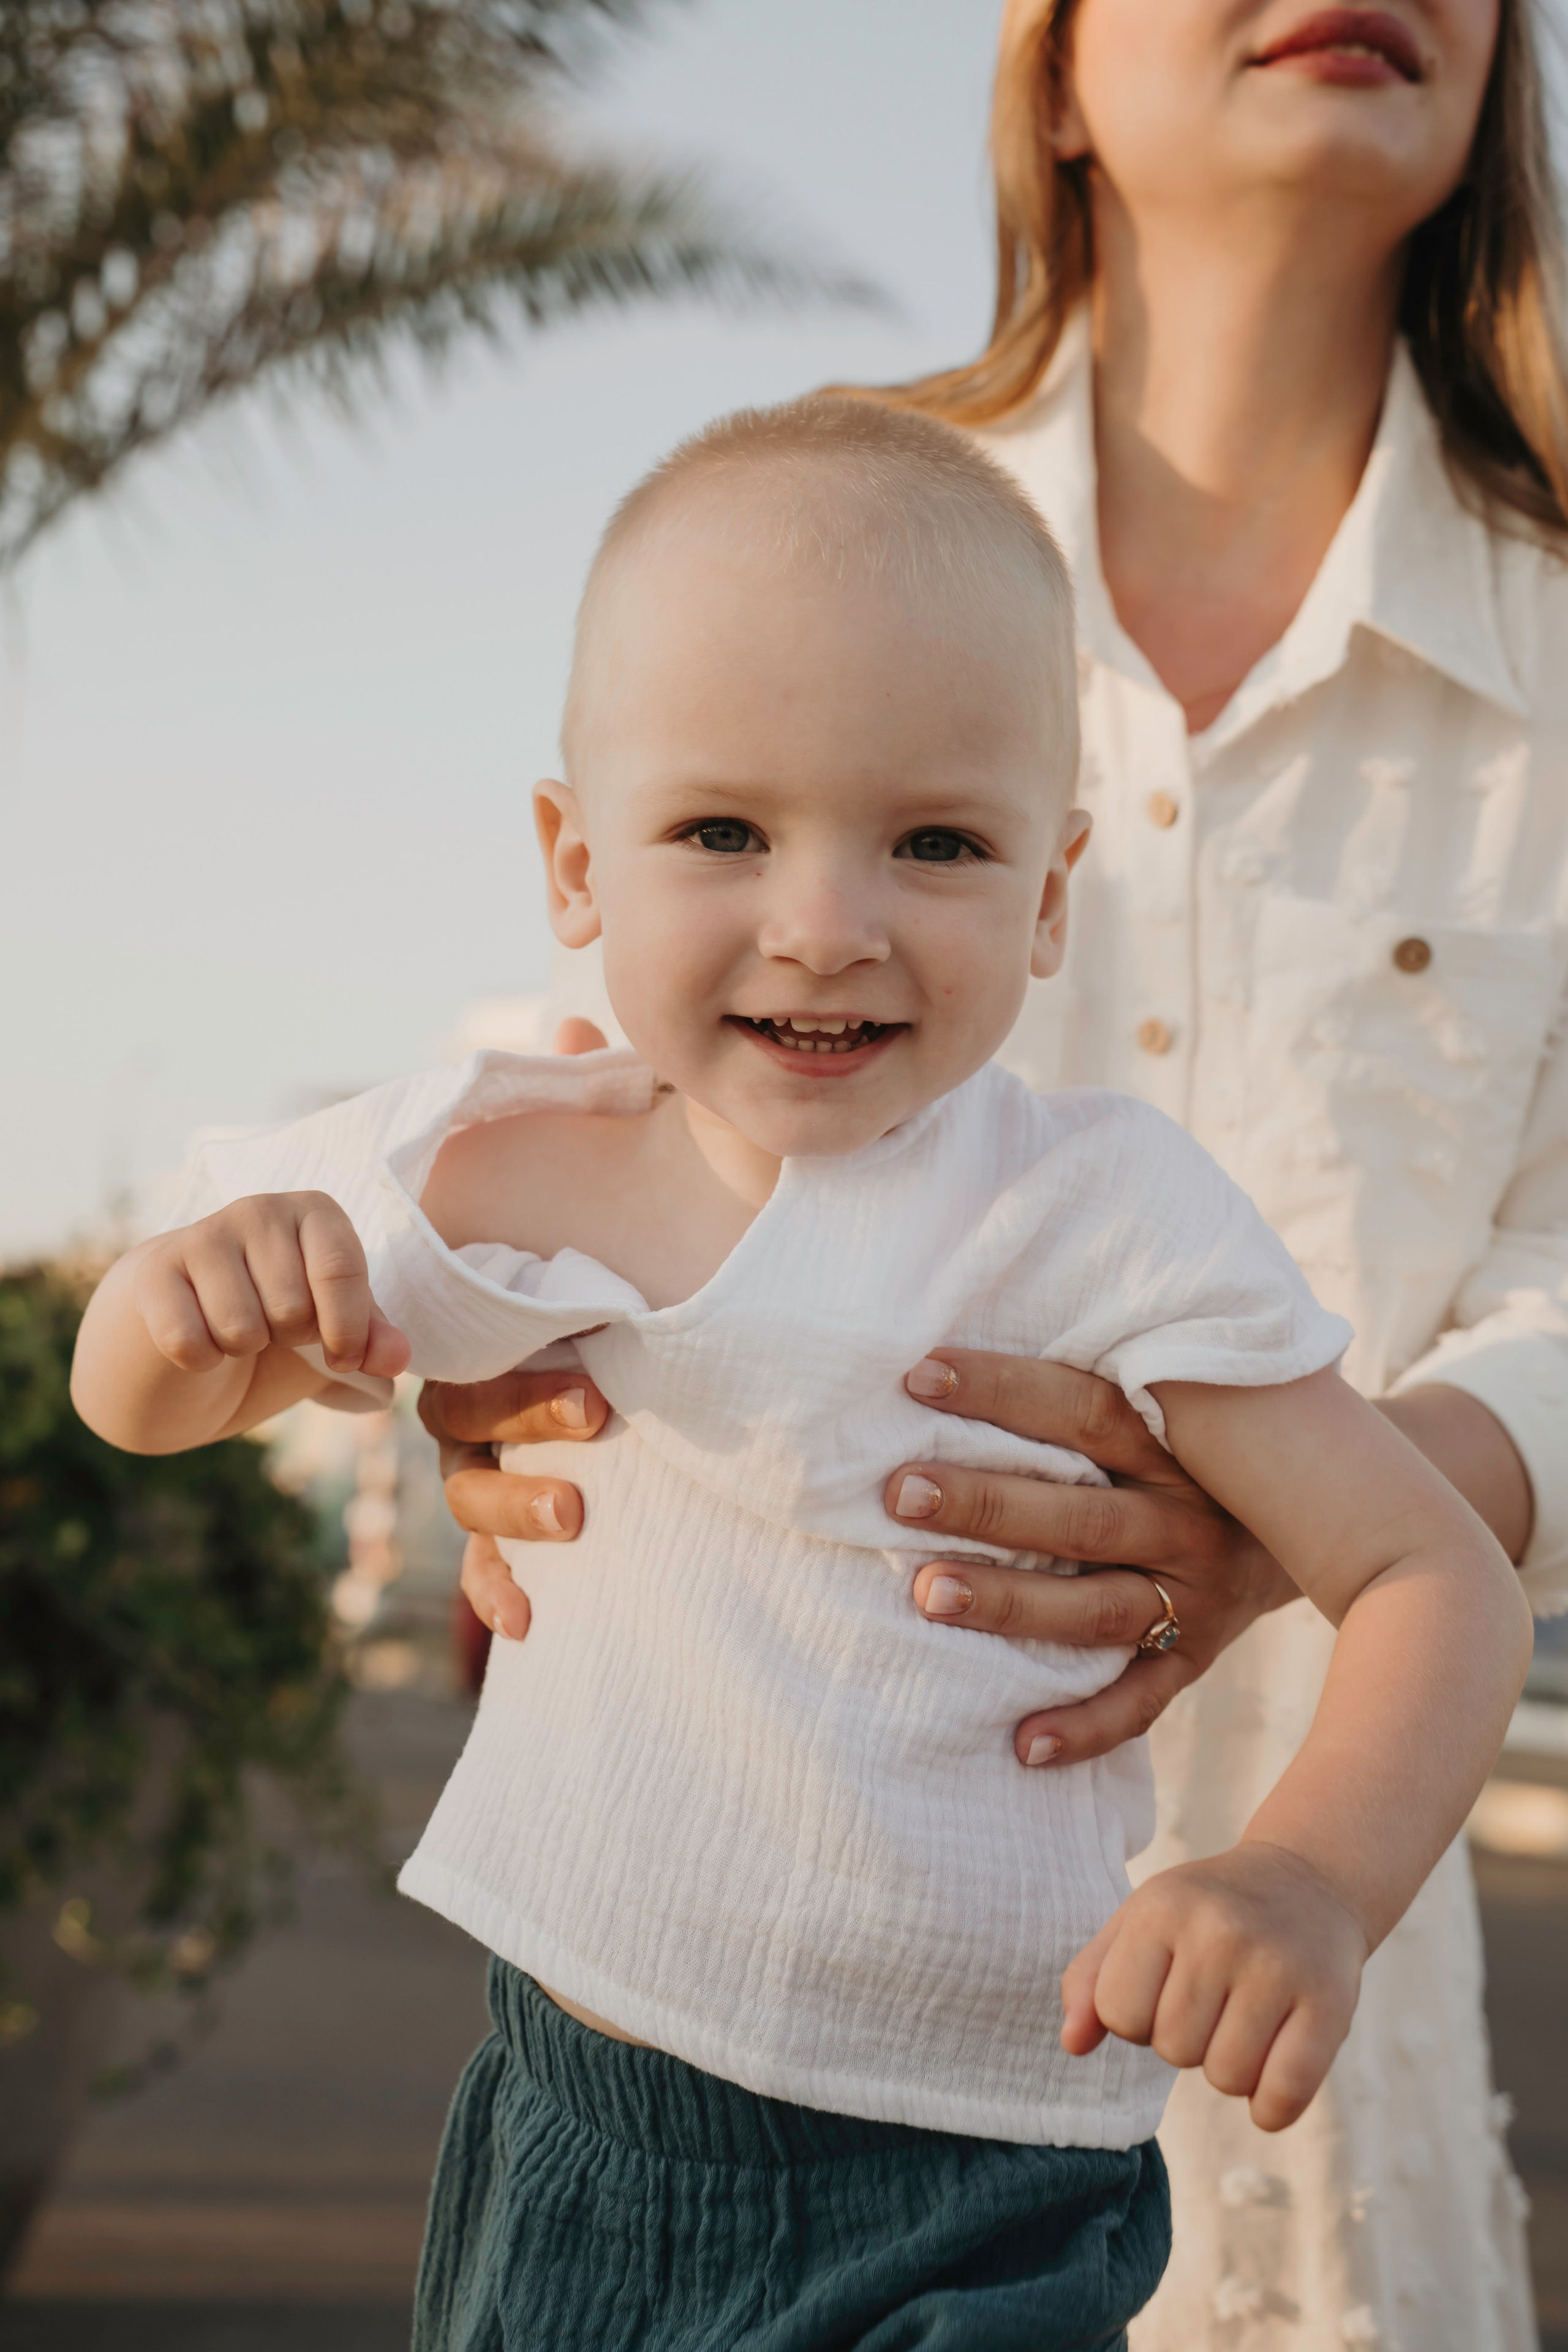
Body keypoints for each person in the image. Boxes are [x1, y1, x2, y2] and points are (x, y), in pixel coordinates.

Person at [70, 398, 1531, 2351]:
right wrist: (193, 1312)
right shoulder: (501, 1165)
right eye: (724, 832)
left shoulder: (1105, 1218)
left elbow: (1434, 1573)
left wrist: (1311, 1878)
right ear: (575, 863)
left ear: (1048, 892)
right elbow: (135, 1393)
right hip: (581, 2139)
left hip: (973, 2186)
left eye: (934, 840)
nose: (826, 924)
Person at [436, 2, 1568, 2345]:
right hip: (703, 2039)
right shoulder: (796, 527)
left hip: (1307, 2032)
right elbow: (592, 1088)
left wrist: (1321, 1503)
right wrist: (482, 1357)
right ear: (1049, 61)